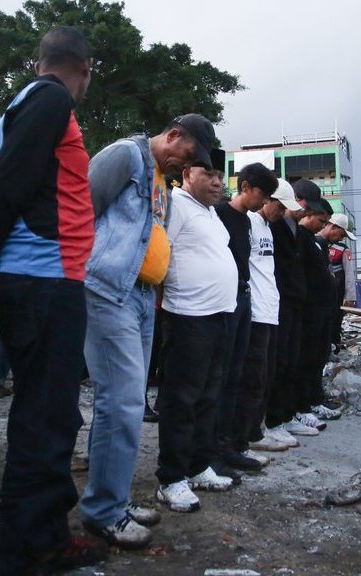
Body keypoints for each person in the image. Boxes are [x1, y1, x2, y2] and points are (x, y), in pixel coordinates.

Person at [0, 26, 107, 575]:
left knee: (42, 414)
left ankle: (30, 538)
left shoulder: (19, 106)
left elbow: (10, 181)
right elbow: (5, 188)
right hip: (46, 278)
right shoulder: (50, 100)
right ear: (86, 68)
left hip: (38, 278)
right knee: (48, 418)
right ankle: (33, 549)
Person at [79, 113, 219, 548]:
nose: (186, 165)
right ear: (173, 136)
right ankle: (103, 511)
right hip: (108, 291)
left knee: (128, 403)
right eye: (188, 156)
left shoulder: (160, 176)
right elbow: (81, 212)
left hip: (142, 297)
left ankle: (112, 499)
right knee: (120, 402)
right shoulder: (125, 155)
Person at [155, 155, 238, 513]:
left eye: (221, 176)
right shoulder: (176, 206)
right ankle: (171, 478)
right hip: (187, 316)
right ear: (187, 173)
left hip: (219, 316)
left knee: (208, 396)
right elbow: (159, 253)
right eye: (210, 174)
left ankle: (199, 465)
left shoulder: (210, 212)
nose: (218, 182)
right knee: (181, 400)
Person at [212, 162, 277, 473]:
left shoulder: (248, 223)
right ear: (246, 186)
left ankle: (232, 445)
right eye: (261, 195)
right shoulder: (219, 214)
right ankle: (213, 448)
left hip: (243, 297)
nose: (262, 203)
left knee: (237, 374)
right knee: (221, 375)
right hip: (222, 299)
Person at [263, 179, 330, 442]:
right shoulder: (275, 225)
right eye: (304, 205)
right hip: (279, 303)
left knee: (292, 361)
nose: (305, 211)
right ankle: (274, 419)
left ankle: (288, 415)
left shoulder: (296, 231)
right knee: (279, 363)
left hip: (296, 304)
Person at [241, 180, 300, 454]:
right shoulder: (250, 221)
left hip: (270, 309)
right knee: (253, 375)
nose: (281, 212)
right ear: (267, 199)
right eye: (280, 206)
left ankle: (259, 428)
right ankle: (250, 432)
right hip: (255, 310)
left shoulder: (267, 226)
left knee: (266, 374)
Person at [325, 214, 357, 351]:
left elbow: (349, 274)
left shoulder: (343, 250)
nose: (342, 238)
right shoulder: (314, 241)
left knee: (335, 317)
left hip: (337, 292)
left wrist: (350, 297)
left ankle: (334, 343)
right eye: (342, 234)